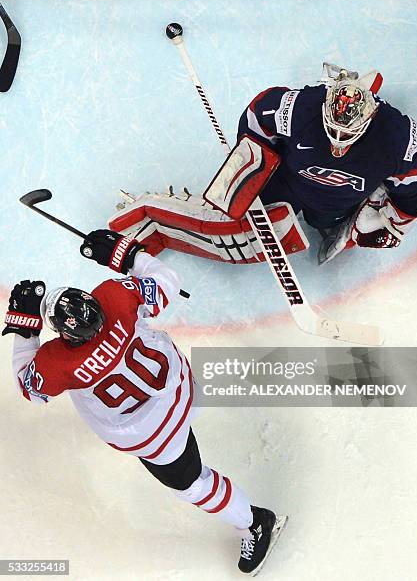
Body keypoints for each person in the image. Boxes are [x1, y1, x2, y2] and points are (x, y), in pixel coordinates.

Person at [2, 229, 286, 575]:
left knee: (190, 485)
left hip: (154, 436)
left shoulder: (56, 362)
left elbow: (31, 387)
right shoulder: (115, 297)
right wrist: (127, 254)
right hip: (182, 387)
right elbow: (165, 280)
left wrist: (25, 330)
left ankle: (255, 522)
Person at [107, 62, 417, 264]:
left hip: (338, 205)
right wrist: (250, 158)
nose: (336, 142)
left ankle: (338, 227)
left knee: (345, 226)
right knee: (236, 230)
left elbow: (415, 189)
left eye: (344, 133)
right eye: (330, 128)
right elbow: (256, 115)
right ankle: (155, 212)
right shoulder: (300, 107)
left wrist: (391, 223)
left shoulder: (400, 138)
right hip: (286, 185)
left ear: (371, 116)